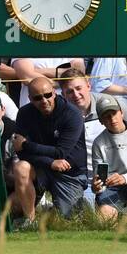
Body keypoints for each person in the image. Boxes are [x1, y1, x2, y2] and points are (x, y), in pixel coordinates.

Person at [11, 76, 89, 224]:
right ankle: (30, 221)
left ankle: (61, 207)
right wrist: (50, 163)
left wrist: (27, 144)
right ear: (30, 98)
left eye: (47, 95)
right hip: (41, 168)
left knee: (70, 221)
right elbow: (19, 151)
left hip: (69, 172)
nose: (44, 101)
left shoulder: (72, 114)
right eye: (37, 98)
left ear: (54, 92)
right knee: (20, 169)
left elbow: (60, 153)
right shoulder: (24, 113)